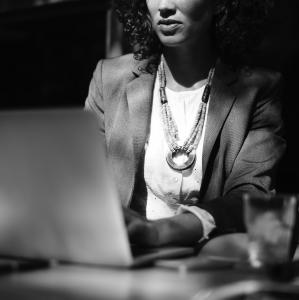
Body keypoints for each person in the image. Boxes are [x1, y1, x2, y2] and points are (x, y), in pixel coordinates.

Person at [85, 0, 285, 254]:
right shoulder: (110, 78)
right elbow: (84, 180)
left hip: (209, 258)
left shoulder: (258, 89)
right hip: (124, 253)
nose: (165, 6)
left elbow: (250, 194)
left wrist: (159, 232)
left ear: (219, 4)